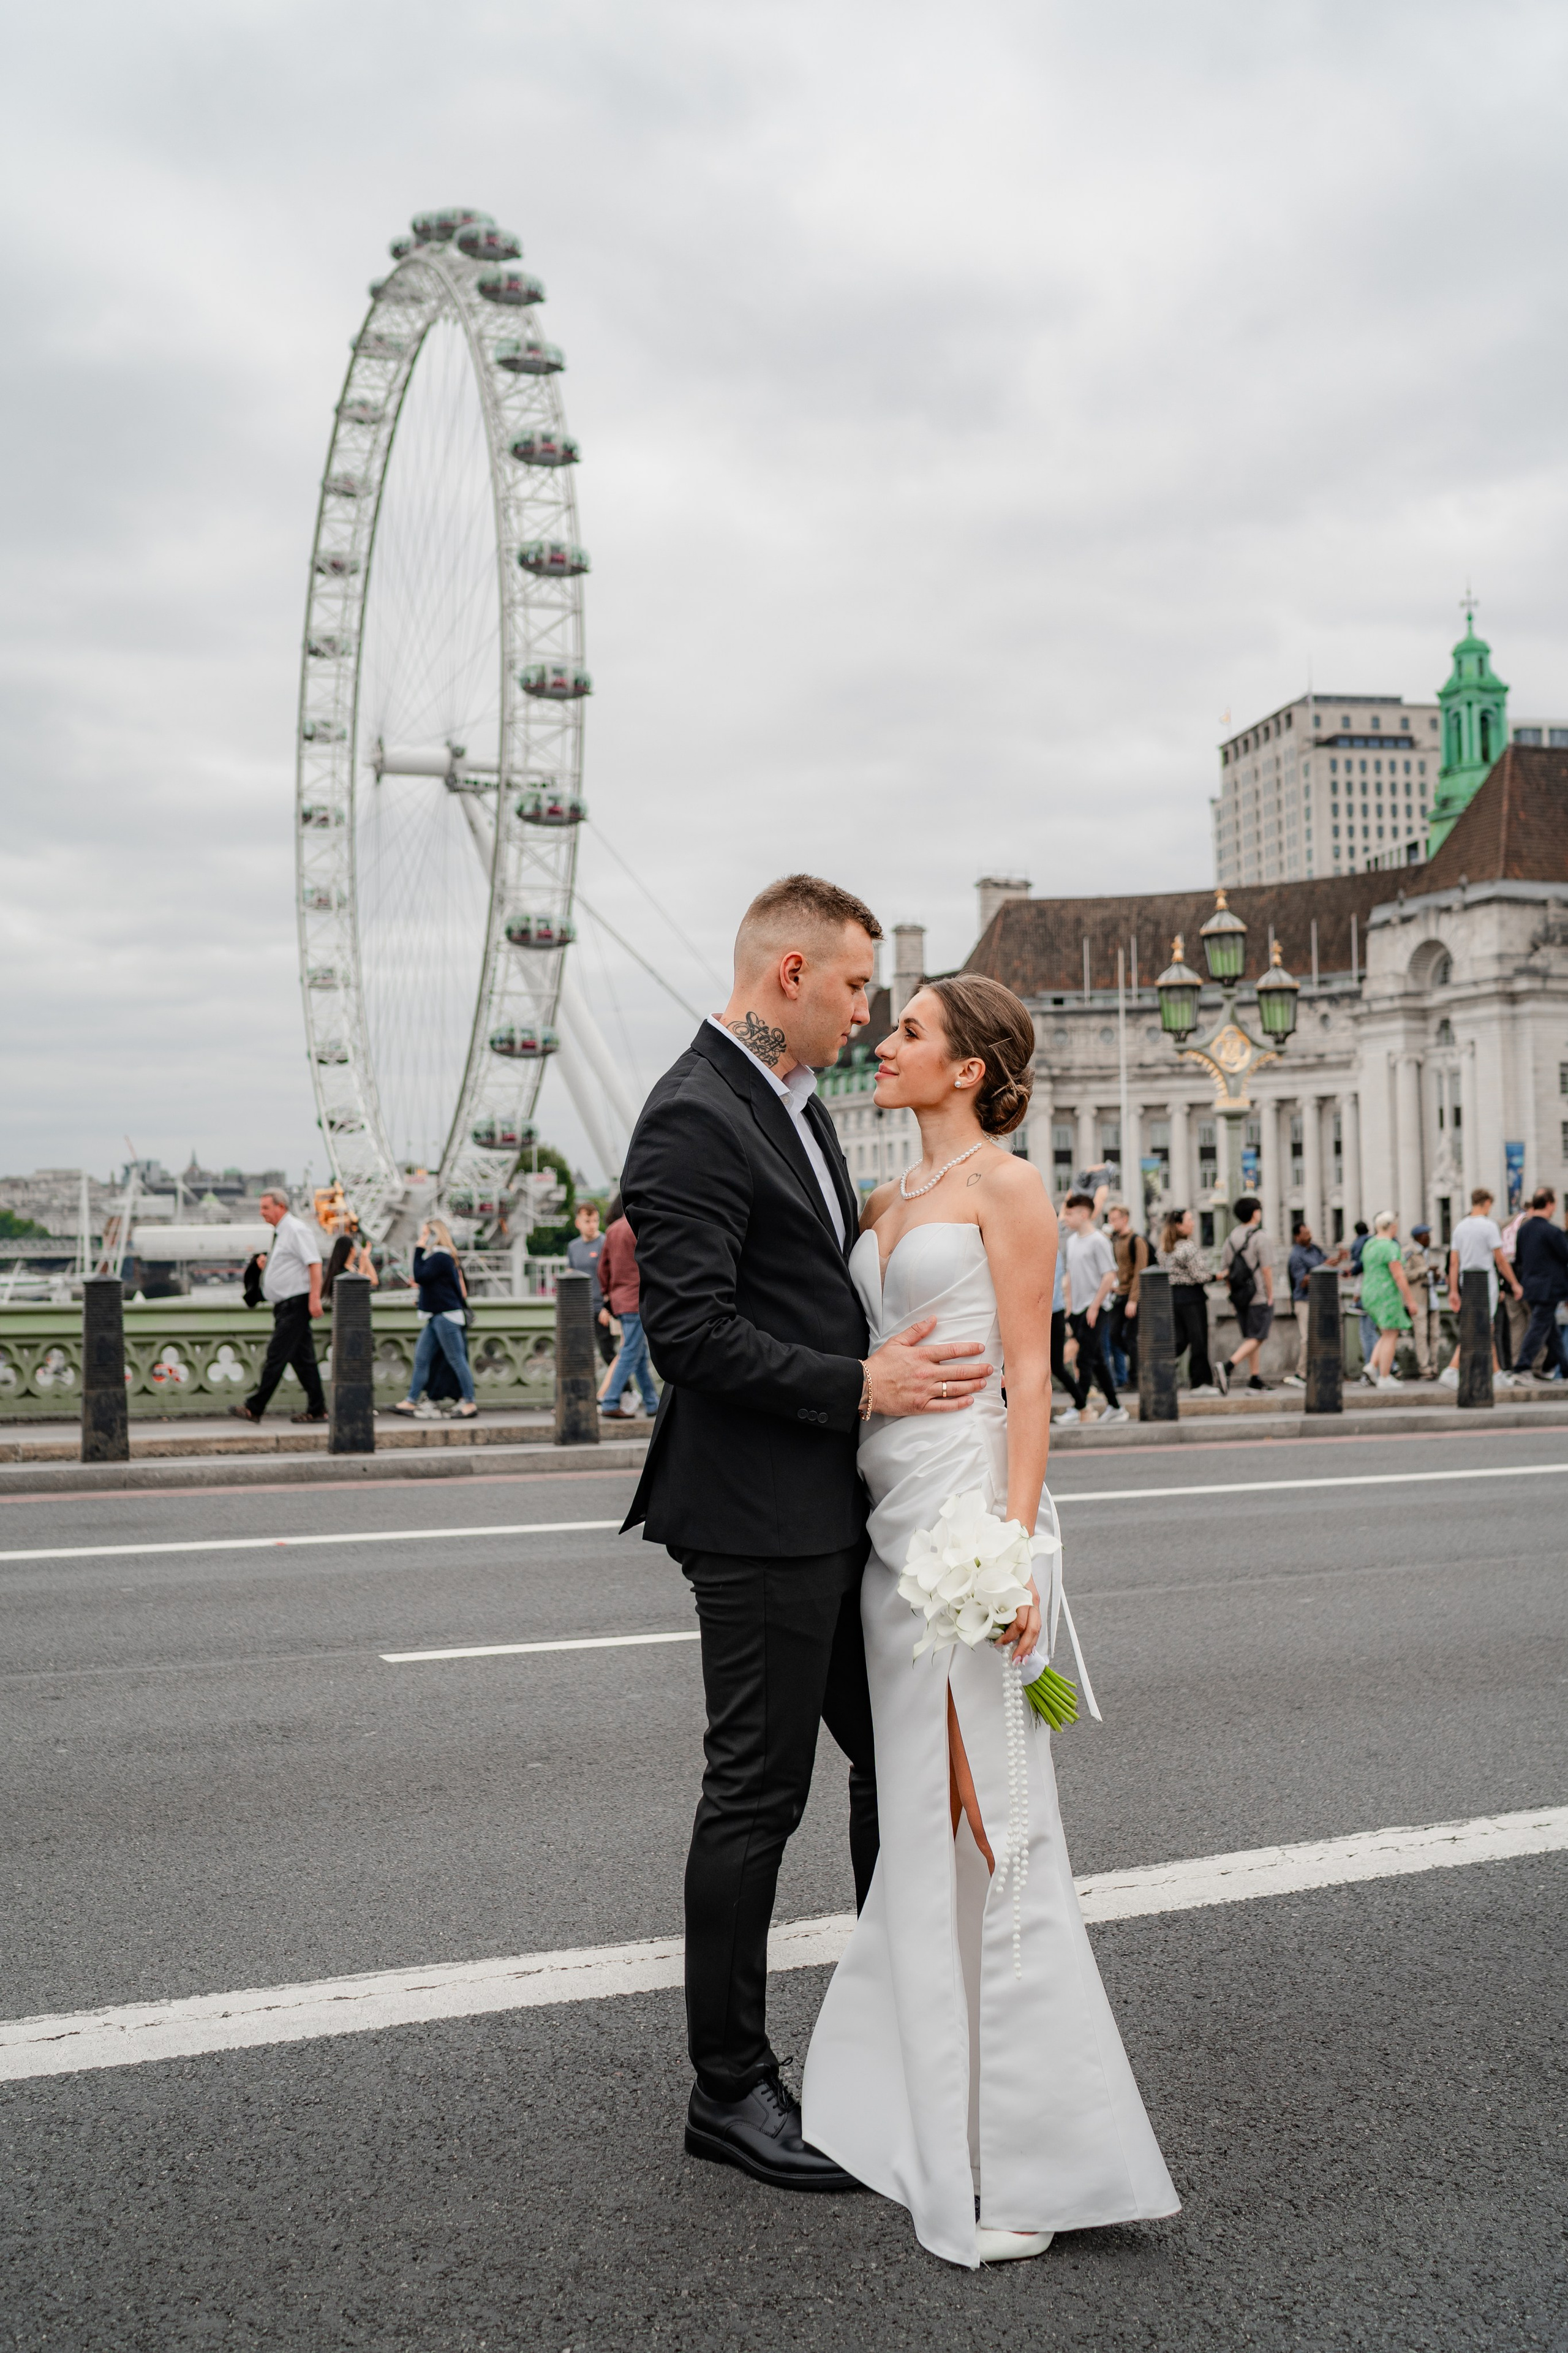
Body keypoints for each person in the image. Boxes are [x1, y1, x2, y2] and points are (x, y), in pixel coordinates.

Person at [621, 874, 990, 2198]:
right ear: (789, 977)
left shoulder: (790, 1102)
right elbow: (691, 1336)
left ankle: (894, 2026)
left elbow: (802, 1278)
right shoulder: (692, 1112)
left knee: (895, 1758)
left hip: (827, 1504)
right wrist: (862, 1384)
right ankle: (727, 2088)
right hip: (755, 1513)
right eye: (850, 988)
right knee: (756, 1792)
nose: (863, 1014)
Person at [802, 971, 1178, 2266]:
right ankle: (931, 2113)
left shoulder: (1007, 1189)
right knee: (926, 1823)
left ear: (966, 1068)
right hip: (887, 1518)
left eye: (907, 1031)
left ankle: (1044, 2158)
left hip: (967, 1515)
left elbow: (1028, 1377)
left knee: (995, 1821)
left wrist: (1011, 1553)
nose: (883, 1042)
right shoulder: (880, 1200)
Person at [231, 1188, 326, 1425]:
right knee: (303, 1360)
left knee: (276, 1355)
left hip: (295, 1304)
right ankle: (318, 1410)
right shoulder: (282, 1233)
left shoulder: (296, 1229)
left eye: (266, 1208)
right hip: (286, 1305)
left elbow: (315, 1264)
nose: (262, 1213)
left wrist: (314, 1299)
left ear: (281, 1207)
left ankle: (255, 1407)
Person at [1439, 1187, 1523, 1389]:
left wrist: (1453, 1291)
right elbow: (1500, 1259)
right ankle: (1453, 1369)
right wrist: (1514, 1283)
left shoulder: (1460, 1227)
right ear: (1487, 1203)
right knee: (1482, 1326)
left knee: (1483, 1326)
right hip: (1485, 1280)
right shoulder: (1489, 1226)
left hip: (1466, 1280)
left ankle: (1496, 1373)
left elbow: (1454, 1263)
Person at [1055, 1192, 1126, 1425]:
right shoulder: (1072, 1241)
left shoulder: (1099, 1241)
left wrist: (1095, 1307)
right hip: (1078, 1311)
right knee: (1097, 1360)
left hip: (1096, 1309)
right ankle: (1115, 1407)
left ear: (1084, 1214)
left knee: (1085, 1360)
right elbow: (1071, 1276)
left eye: (1069, 1214)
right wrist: (1069, 1307)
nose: (1065, 1219)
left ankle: (1080, 1408)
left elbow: (1109, 1275)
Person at [394, 1218, 477, 1418]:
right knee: (422, 1359)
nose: (422, 1237)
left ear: (434, 1235)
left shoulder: (441, 1256)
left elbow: (420, 1275)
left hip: (446, 1317)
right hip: (436, 1315)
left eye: (425, 1233)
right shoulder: (441, 1258)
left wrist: (418, 1248)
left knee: (456, 1359)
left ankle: (470, 1402)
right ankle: (411, 1401)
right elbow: (435, 1284)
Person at [597, 1205, 660, 1419]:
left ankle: (652, 1403)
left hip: (620, 1300)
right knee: (631, 1351)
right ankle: (610, 1401)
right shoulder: (640, 1228)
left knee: (639, 1354)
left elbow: (602, 1268)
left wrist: (608, 1294)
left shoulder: (612, 1230)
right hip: (637, 1299)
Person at [1157, 1207, 1218, 1395]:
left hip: (1172, 1297)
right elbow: (1200, 1275)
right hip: (1192, 1297)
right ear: (1179, 1225)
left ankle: (1158, 1369)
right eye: (1189, 1220)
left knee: (1179, 1340)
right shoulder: (1188, 1247)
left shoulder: (1164, 1249)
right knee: (1199, 1340)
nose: (1193, 1223)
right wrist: (1219, 1276)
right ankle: (1200, 1383)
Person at [1216, 1196, 1273, 1393]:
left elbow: (1226, 1271)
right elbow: (1266, 1269)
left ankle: (1254, 1378)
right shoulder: (1261, 1237)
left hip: (1240, 1296)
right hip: (1258, 1295)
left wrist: (1233, 1295)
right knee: (1258, 1336)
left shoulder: (1231, 1238)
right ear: (1255, 1213)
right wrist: (1270, 1295)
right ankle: (1228, 1366)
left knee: (1251, 1337)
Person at [1511, 1187, 1568, 1380]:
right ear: (1549, 1204)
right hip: (1550, 1288)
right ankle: (1522, 1366)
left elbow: (1519, 1259)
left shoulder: (1523, 1230)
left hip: (1530, 1285)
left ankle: (1565, 1368)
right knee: (1538, 1327)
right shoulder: (1552, 1231)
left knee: (1551, 1331)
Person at [1283, 1220, 1348, 1388]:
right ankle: (1301, 1374)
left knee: (1323, 1337)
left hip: (1320, 1299)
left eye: (1310, 1233)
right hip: (1304, 1300)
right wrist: (1322, 1268)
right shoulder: (1296, 1256)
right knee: (1307, 1338)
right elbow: (1302, 1282)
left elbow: (1327, 1263)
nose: (1310, 1236)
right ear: (1297, 1237)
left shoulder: (1315, 1249)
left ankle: (1319, 1371)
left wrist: (1339, 1259)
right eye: (1306, 1234)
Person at [1356, 1210, 1417, 1388]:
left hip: (1369, 1291)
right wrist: (1410, 1300)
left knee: (1385, 1333)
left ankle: (1372, 1365)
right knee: (1391, 1333)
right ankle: (1384, 1376)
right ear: (1392, 1226)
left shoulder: (1370, 1244)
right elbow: (1399, 1276)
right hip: (1386, 1293)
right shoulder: (1390, 1246)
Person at [566, 1199, 615, 1369]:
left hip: (602, 1310)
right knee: (580, 1353)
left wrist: (608, 1308)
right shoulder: (573, 1247)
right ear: (578, 1223)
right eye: (588, 1221)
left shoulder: (606, 1242)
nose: (592, 1225)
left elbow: (613, 1277)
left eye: (595, 1220)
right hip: (581, 1310)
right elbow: (571, 1277)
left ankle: (623, 1386)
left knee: (608, 1353)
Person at [1106, 1200, 1149, 1391]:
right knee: (1114, 1334)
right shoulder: (1115, 1240)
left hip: (1133, 1296)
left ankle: (1136, 1379)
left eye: (1114, 1219)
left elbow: (1141, 1271)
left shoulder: (1137, 1241)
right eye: (1110, 1219)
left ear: (1125, 1219)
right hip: (1120, 1293)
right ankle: (1137, 1361)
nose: (1112, 1223)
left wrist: (1133, 1300)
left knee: (1132, 1338)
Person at [1400, 1224, 1440, 1381]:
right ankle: (1424, 1368)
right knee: (1421, 1335)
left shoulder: (1429, 1251)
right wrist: (1425, 1270)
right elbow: (1405, 1275)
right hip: (1418, 1299)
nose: (1429, 1239)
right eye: (1426, 1236)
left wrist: (1436, 1276)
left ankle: (1435, 1366)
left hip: (1432, 1298)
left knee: (1435, 1335)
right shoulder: (1409, 1252)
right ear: (1419, 1237)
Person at [322, 1219, 378, 1299]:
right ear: (352, 1250)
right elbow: (356, 1285)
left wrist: (366, 1257)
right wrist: (362, 1267)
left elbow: (374, 1281)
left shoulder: (352, 1268)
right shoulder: (341, 1272)